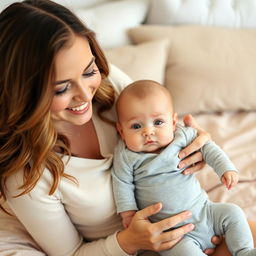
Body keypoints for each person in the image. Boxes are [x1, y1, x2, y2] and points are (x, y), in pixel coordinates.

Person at [0, 1, 254, 256]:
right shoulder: (26, 176)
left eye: (89, 71)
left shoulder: (110, 87)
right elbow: (70, 253)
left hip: (197, 218)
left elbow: (161, 118)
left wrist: (197, 146)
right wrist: (129, 242)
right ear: (22, 92)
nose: (85, 95)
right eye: (61, 88)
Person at [112, 80, 256, 256]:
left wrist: (226, 168)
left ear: (173, 122)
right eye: (136, 126)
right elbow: (122, 183)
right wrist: (128, 214)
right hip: (173, 234)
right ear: (121, 131)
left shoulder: (182, 135)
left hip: (206, 212)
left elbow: (207, 147)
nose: (148, 132)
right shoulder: (126, 156)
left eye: (158, 122)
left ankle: (244, 251)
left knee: (233, 212)